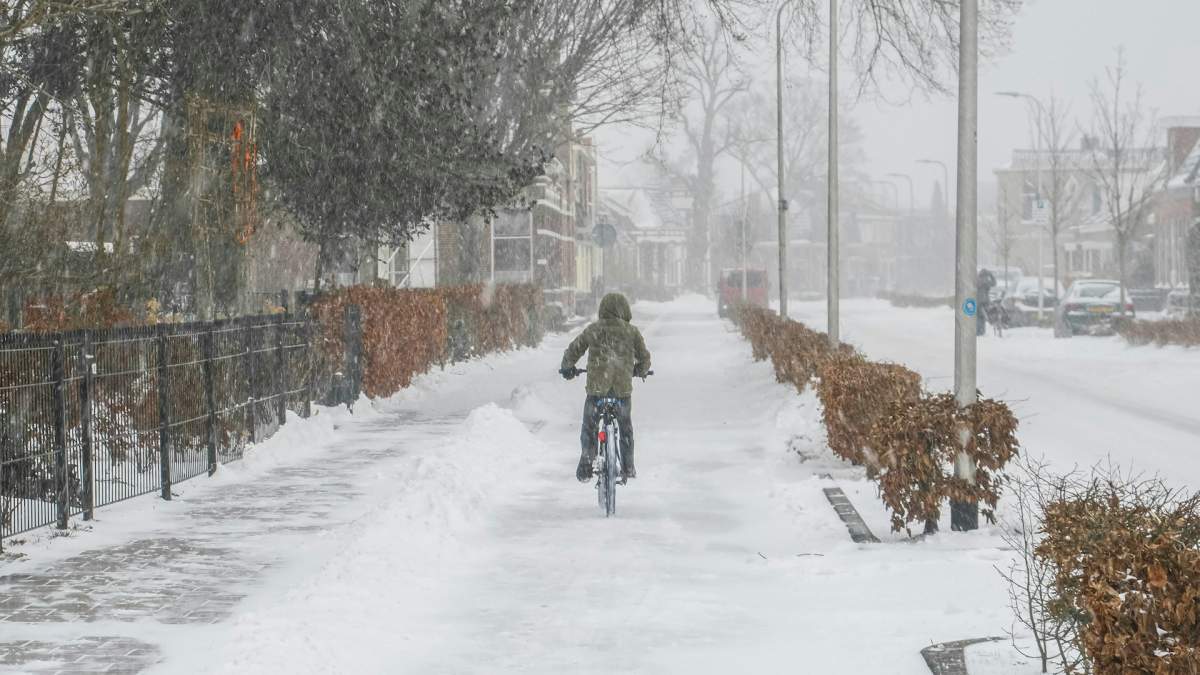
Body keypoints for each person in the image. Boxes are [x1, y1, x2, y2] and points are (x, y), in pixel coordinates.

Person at [559, 292, 651, 482]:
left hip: (597, 391)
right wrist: (640, 370)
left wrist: (567, 368)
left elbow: (574, 349)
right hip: (621, 392)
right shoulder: (631, 331)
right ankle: (628, 466)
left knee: (590, 426)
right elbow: (644, 358)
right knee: (625, 428)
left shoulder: (594, 329)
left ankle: (586, 461)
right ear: (624, 310)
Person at [976, 268, 997, 336]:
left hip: (977, 301)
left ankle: (978, 330)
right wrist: (991, 275)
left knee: (978, 316)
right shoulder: (986, 280)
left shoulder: (977, 280)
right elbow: (994, 283)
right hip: (985, 301)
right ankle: (981, 330)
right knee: (982, 317)